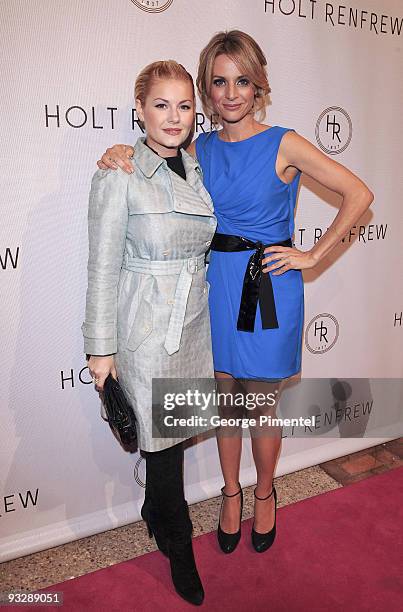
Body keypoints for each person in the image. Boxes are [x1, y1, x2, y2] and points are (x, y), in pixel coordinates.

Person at [97, 30, 374, 555]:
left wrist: (313, 255)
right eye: (219, 82)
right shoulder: (196, 147)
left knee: (261, 406)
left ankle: (266, 494)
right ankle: (231, 495)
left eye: (241, 81)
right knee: (225, 400)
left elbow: (359, 193)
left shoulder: (284, 141)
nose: (230, 93)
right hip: (214, 285)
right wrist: (119, 153)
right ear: (206, 89)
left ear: (258, 86)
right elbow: (153, 165)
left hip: (268, 287)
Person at [83, 60, 217, 606]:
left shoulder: (197, 168)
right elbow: (101, 266)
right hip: (144, 329)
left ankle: (154, 514)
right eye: (160, 105)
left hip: (191, 324)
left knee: (174, 440)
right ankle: (178, 543)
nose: (173, 116)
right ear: (138, 110)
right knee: (163, 448)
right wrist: (100, 349)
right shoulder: (119, 173)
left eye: (184, 106)